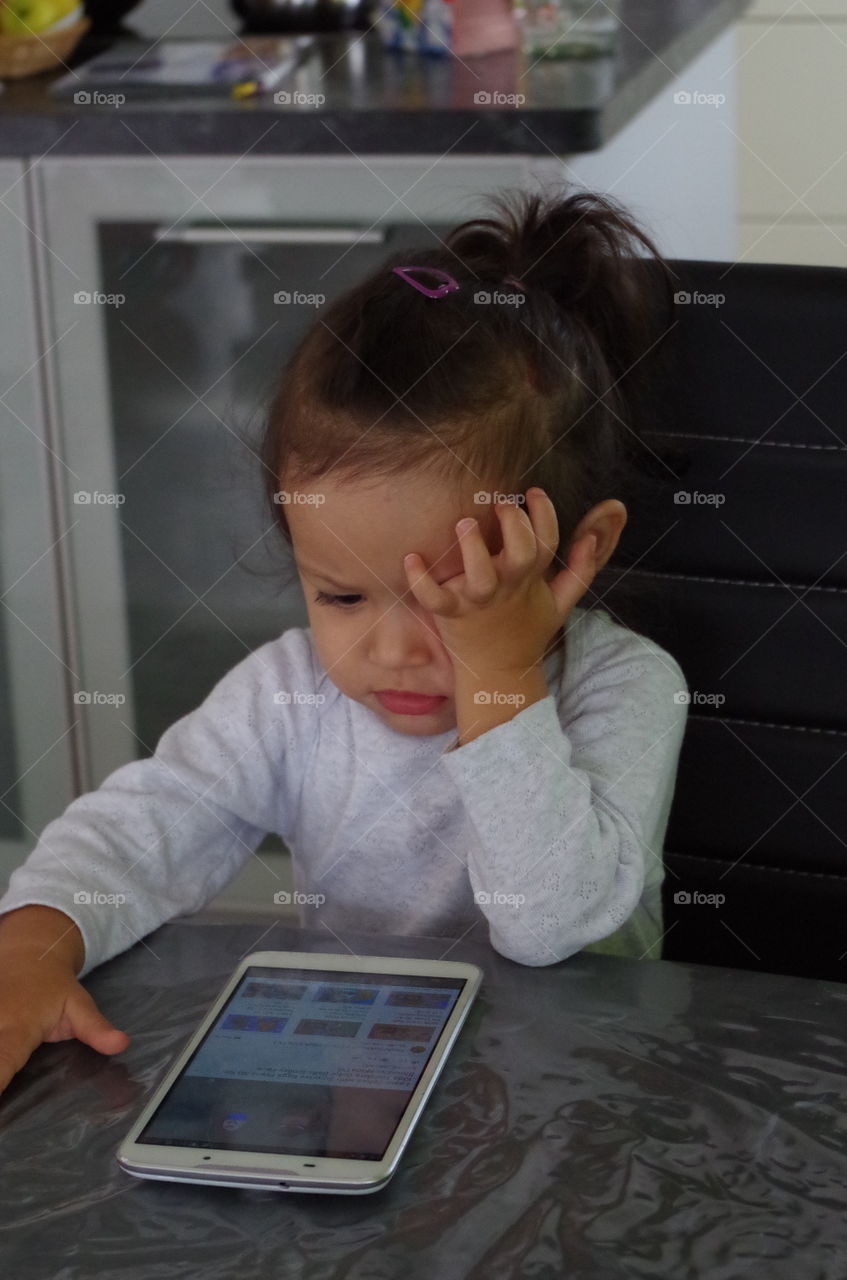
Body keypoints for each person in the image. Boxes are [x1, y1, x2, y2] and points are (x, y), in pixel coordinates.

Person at [0, 184, 690, 1095]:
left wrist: (497, 674)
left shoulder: (628, 689)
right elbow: (145, 827)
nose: (395, 650)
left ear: (577, 549)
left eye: (450, 598)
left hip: (574, 1099)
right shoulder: (290, 695)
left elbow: (551, 924)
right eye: (342, 594)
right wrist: (28, 948)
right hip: (365, 1073)